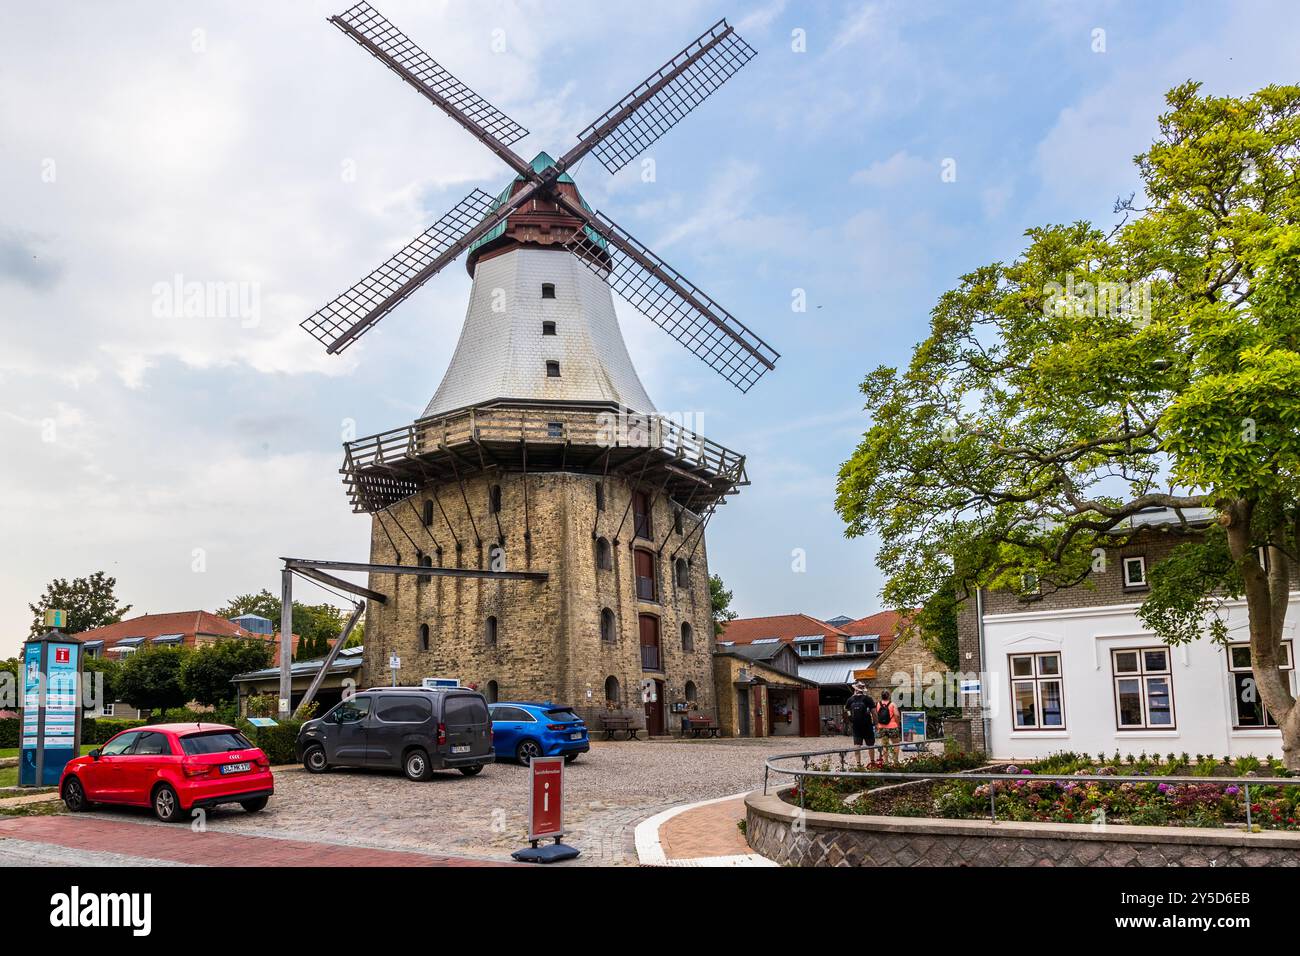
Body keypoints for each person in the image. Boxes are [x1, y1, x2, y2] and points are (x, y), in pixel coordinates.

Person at [843, 681, 876, 765]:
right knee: (870, 745)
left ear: (855, 689)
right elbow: (874, 712)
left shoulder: (850, 699)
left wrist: (850, 718)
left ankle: (858, 764)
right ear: (863, 690)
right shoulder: (868, 699)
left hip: (856, 725)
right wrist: (876, 723)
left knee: (857, 745)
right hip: (867, 725)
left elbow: (846, 710)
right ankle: (872, 762)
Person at [876, 691, 901, 763]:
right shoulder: (892, 704)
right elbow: (897, 715)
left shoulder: (878, 704)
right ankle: (895, 761)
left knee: (885, 745)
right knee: (896, 744)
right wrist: (897, 724)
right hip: (892, 727)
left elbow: (875, 715)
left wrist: (878, 725)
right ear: (889, 696)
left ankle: (886, 762)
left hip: (882, 727)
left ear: (881, 696)